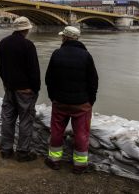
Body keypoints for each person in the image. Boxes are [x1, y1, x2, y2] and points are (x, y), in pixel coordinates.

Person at [44, 26, 98, 173]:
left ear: (65, 38)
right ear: (77, 38)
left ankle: (54, 161)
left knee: (57, 132)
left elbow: (49, 79)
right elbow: (93, 81)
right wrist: (90, 101)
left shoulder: (57, 54)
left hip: (60, 102)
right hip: (81, 104)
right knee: (81, 134)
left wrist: (53, 97)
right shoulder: (86, 55)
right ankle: (80, 166)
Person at [0, 16, 41, 162]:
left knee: (8, 119)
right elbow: (34, 70)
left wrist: (5, 82)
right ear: (26, 29)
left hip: (9, 88)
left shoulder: (3, 43)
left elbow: (0, 66)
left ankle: (6, 150)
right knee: (26, 120)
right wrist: (35, 89)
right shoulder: (28, 45)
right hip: (25, 91)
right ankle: (23, 152)